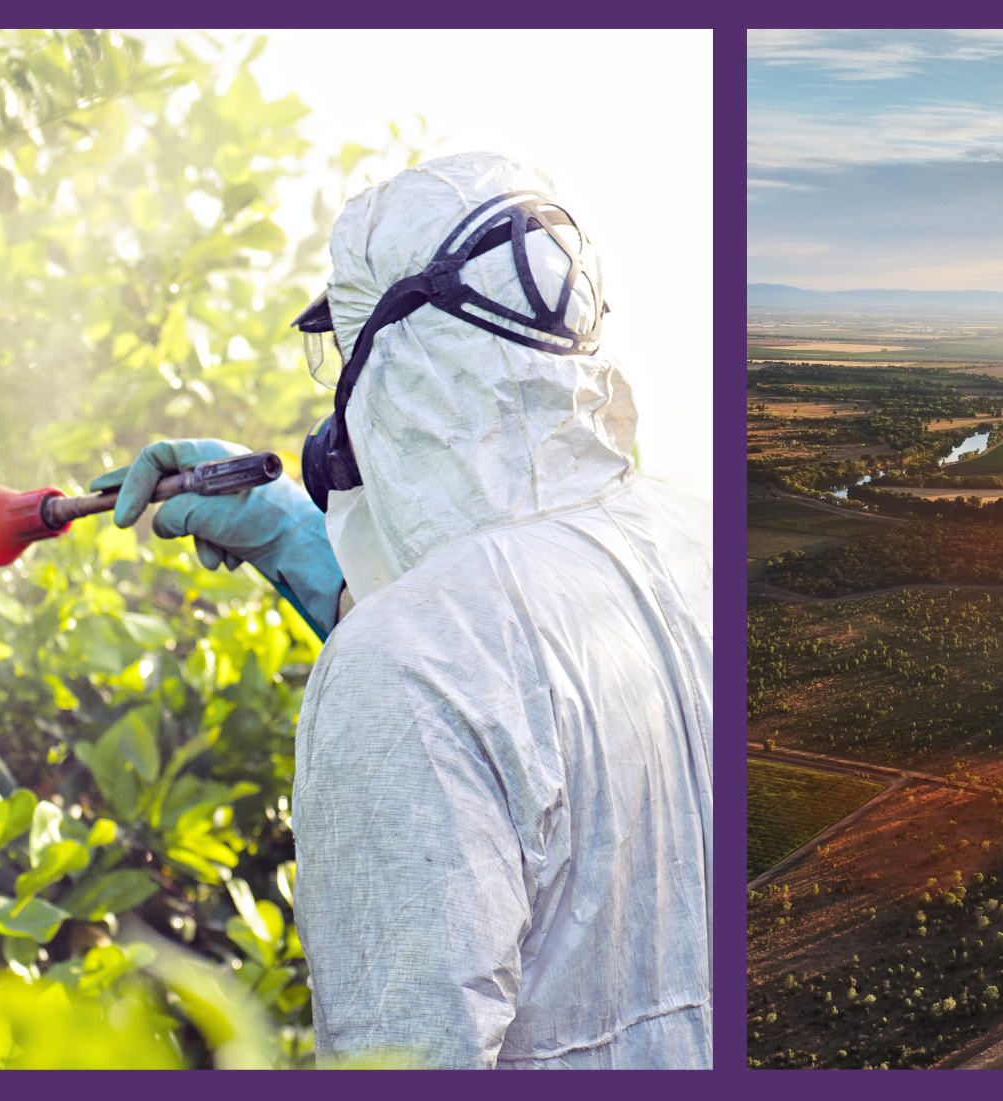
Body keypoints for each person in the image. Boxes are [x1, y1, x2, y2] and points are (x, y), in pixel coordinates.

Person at [92, 151, 711, 1068]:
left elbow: (410, 1053)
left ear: (400, 364)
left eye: (343, 353)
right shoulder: (694, 539)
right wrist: (296, 543)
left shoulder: (405, 666)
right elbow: (518, 682)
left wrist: (371, 629)